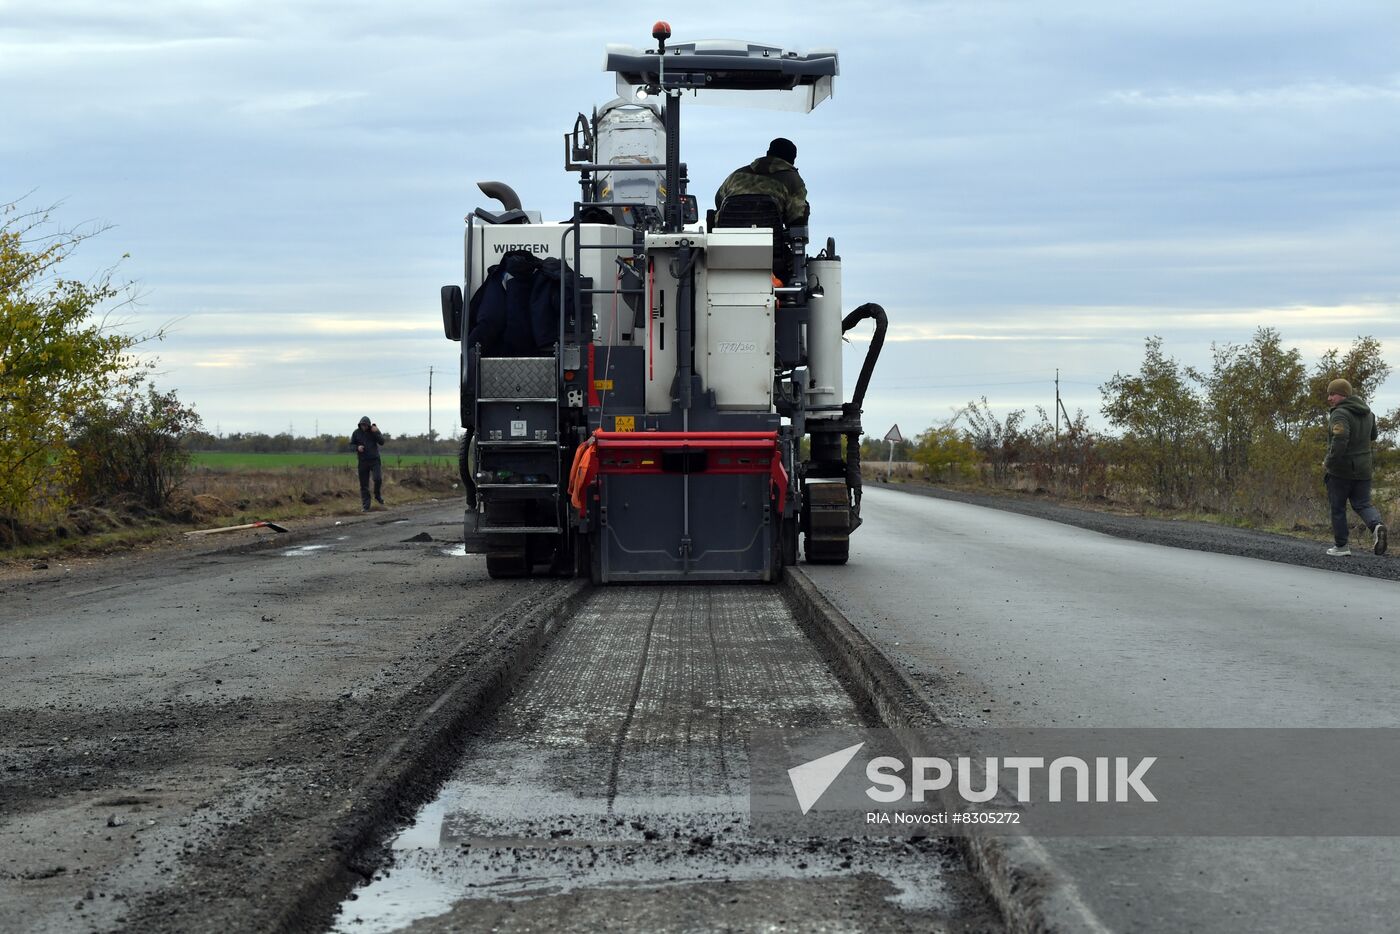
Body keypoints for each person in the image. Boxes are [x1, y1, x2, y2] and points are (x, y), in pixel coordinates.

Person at [1322, 379, 1386, 557]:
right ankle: (1377, 526)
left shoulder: (1340, 414)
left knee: (1338, 507)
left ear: (1343, 394)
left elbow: (1340, 441)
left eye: (1332, 394)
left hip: (1341, 470)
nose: (1329, 398)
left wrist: (1328, 462)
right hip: (1364, 469)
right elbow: (1373, 435)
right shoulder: (1368, 412)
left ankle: (1341, 546)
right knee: (1363, 504)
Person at [714, 137, 809, 226]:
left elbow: (719, 200)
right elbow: (797, 217)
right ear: (792, 160)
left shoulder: (737, 175)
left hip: (729, 236)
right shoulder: (793, 180)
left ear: (767, 153)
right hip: (773, 239)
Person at [351, 416, 385, 511]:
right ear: (360, 425)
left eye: (365, 425)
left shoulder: (373, 432)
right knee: (364, 484)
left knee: (377, 478)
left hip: (374, 460)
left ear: (369, 425)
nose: (364, 427)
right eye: (362, 425)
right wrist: (357, 447)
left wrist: (377, 431)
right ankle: (366, 506)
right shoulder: (356, 433)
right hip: (363, 461)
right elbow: (351, 445)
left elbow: (382, 442)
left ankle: (377, 495)